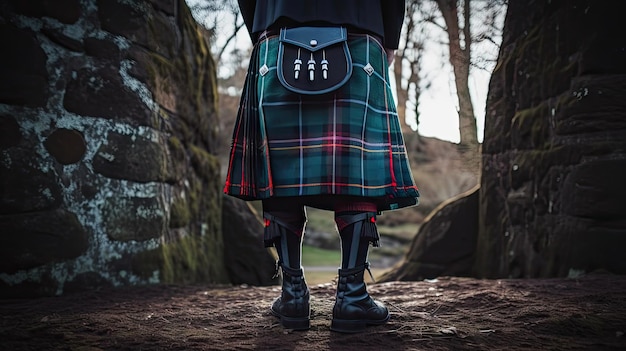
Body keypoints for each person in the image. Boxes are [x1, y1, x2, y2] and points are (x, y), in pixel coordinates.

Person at [224, 0, 419, 333]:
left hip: (278, 31)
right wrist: (389, 39)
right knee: (355, 173)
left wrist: (260, 26)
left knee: (281, 170)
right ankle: (352, 298)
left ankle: (293, 297)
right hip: (361, 30)